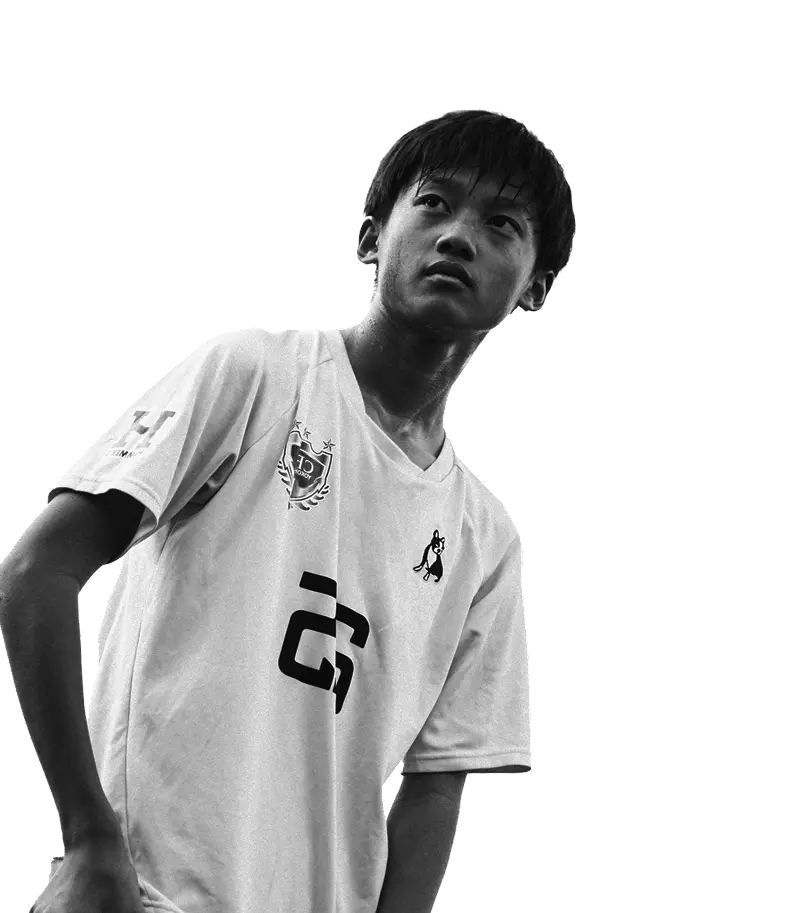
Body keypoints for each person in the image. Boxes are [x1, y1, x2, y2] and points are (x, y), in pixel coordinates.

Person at [4, 108, 570, 912]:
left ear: (536, 286)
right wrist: (89, 835)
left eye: (501, 222)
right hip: (147, 894)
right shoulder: (254, 376)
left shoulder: (487, 541)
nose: (457, 235)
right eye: (434, 203)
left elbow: (436, 785)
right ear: (369, 240)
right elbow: (39, 569)